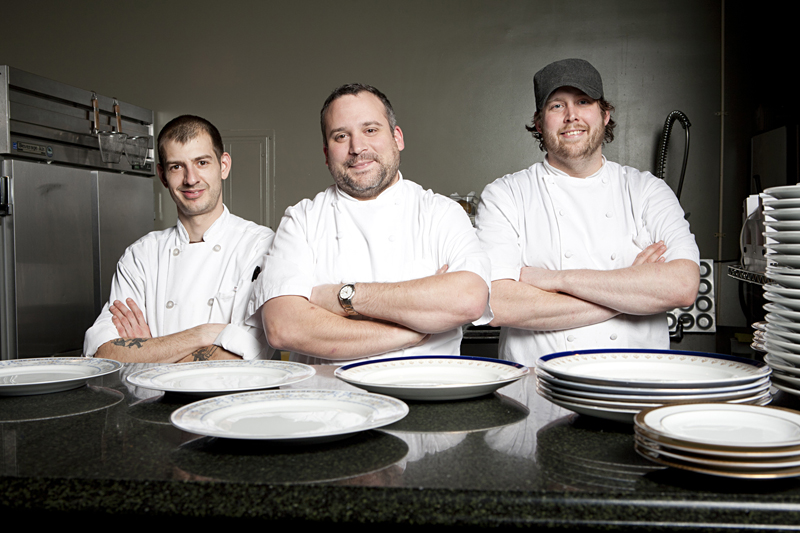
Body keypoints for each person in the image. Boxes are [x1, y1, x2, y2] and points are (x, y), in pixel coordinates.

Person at [475, 58, 700, 364]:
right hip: (541, 392)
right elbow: (499, 304)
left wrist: (555, 279)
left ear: (605, 114)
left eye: (583, 101)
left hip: (636, 386)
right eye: (556, 106)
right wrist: (632, 291)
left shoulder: (648, 190)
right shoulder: (506, 195)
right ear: (540, 123)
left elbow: (683, 286)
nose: (571, 116)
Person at [253, 84, 491, 365]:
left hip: (427, 395)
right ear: (327, 154)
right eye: (341, 136)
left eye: (370, 130)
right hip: (329, 403)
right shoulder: (301, 220)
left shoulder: (441, 212)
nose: (357, 148)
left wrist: (341, 296)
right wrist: (409, 332)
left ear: (397, 137)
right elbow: (284, 327)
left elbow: (468, 299)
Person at [83, 115, 274, 362]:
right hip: (149, 402)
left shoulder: (259, 246)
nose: (191, 179)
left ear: (223, 166)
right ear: (163, 176)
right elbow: (105, 353)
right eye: (176, 167)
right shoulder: (140, 256)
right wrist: (203, 334)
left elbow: (238, 359)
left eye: (202, 162)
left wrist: (149, 350)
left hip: (232, 400)